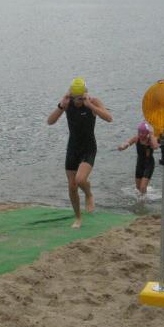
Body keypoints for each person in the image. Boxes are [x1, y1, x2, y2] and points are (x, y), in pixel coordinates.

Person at [48, 77, 112, 228]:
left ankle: (89, 194)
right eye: (74, 98)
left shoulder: (93, 102)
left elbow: (109, 118)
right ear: (71, 95)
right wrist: (61, 106)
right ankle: (78, 218)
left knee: (80, 179)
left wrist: (91, 106)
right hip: (73, 148)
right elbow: (50, 121)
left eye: (80, 98)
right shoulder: (67, 103)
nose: (77, 101)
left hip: (88, 148)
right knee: (72, 186)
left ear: (85, 94)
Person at [118, 121, 161, 198]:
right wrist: (122, 146)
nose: (141, 134)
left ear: (147, 133)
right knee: (138, 187)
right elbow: (128, 143)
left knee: (143, 187)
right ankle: (142, 199)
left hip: (149, 164)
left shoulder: (151, 139)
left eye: (143, 133)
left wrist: (151, 134)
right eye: (139, 132)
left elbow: (156, 146)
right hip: (139, 164)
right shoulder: (136, 138)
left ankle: (142, 202)